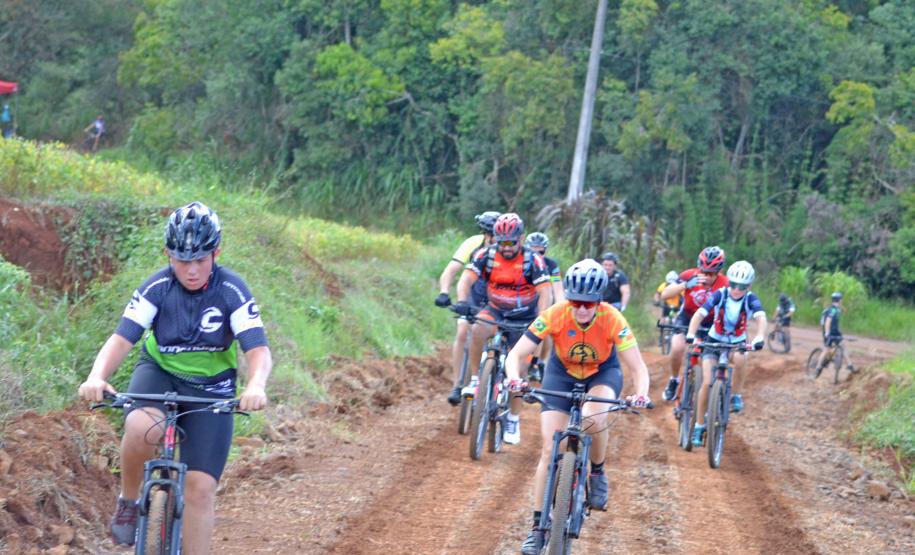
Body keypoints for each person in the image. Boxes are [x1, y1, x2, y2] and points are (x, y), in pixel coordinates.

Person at [77, 201, 273, 553]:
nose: (192, 270)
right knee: (141, 426)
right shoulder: (157, 287)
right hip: (159, 374)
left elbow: (257, 350)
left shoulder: (232, 291)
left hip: (212, 389)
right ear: (168, 255)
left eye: (200, 259)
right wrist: (96, 376)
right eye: (183, 260)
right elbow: (122, 339)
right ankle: (129, 500)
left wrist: (255, 384)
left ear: (216, 253)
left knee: (199, 489)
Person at [503, 259, 651, 555]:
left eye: (589, 303)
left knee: (594, 417)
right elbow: (516, 354)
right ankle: (537, 529)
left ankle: (597, 471)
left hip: (601, 372)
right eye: (576, 302)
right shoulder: (555, 314)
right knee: (549, 449)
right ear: (568, 299)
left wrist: (641, 394)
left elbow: (639, 368)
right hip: (561, 374)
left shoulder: (612, 319)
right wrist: (514, 379)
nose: (582, 309)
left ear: (599, 301)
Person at [453, 213, 551, 445]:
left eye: (511, 242)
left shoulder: (533, 260)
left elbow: (545, 292)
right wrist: (463, 301)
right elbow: (465, 280)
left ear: (521, 238)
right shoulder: (485, 254)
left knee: (520, 371)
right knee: (477, 329)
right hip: (495, 308)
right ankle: (477, 379)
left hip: (523, 316)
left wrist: (540, 318)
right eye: (501, 242)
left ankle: (514, 419)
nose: (506, 247)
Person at [685, 261, 766, 446]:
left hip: (736, 342)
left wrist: (759, 337)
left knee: (741, 357)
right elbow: (700, 314)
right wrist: (691, 333)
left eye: (742, 286)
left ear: (749, 286)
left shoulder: (750, 299)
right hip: (714, 340)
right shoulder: (720, 294)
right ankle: (698, 425)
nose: (737, 289)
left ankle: (736, 394)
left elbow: (761, 317)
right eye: (733, 284)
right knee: (707, 382)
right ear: (729, 282)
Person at [434, 211, 500, 405]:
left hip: (499, 300)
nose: (493, 238)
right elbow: (451, 270)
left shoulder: (509, 249)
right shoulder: (473, 244)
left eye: (495, 233)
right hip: (474, 296)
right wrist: (444, 292)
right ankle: (458, 384)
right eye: (489, 233)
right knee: (463, 331)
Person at [659, 246, 729, 402]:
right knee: (677, 347)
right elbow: (665, 294)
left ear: (719, 271)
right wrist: (685, 285)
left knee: (713, 357)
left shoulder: (726, 283)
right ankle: (674, 379)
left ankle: (712, 394)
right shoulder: (689, 275)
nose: (707, 277)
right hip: (687, 317)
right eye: (704, 272)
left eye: (712, 274)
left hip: (712, 322)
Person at [524, 231, 563, 382]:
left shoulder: (551, 265)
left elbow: (558, 289)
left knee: (545, 329)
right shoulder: (522, 261)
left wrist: (561, 307)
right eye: (533, 250)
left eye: (540, 251)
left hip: (543, 301)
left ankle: (537, 362)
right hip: (525, 300)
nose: (537, 254)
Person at [817, 292, 856, 373]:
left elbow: (823, 322)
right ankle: (818, 367)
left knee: (842, 346)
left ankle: (850, 365)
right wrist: (827, 333)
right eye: (841, 299)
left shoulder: (836, 309)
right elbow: (828, 322)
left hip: (836, 331)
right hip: (830, 332)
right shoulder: (833, 310)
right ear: (840, 300)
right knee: (826, 350)